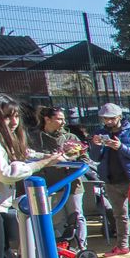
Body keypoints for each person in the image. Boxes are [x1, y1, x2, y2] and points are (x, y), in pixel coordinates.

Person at [0, 96, 72, 258]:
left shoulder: (6, 138)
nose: (13, 122)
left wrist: (55, 156)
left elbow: (26, 155)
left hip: (1, 206)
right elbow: (6, 173)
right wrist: (45, 162)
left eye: (16, 116)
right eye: (7, 117)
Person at [87, 102, 130, 258]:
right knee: (119, 215)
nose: (108, 121)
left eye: (112, 118)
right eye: (105, 118)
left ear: (120, 117)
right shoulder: (101, 133)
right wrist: (96, 145)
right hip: (111, 180)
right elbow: (95, 157)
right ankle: (122, 246)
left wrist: (121, 147)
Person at [33, 107, 88, 250]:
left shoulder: (70, 137)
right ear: (47, 119)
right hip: (50, 185)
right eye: (59, 119)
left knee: (76, 216)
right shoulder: (35, 138)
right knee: (56, 218)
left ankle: (81, 247)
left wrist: (71, 159)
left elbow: (85, 159)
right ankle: (61, 248)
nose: (63, 122)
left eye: (64, 119)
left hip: (72, 183)